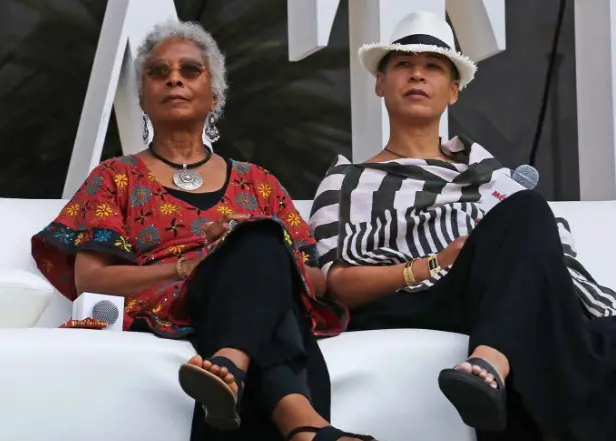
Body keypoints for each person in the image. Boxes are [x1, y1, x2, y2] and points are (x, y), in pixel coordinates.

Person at [31, 20, 375, 441]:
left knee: (259, 241)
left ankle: (231, 368)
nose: (173, 78)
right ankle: (302, 422)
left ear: (215, 94)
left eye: (190, 70)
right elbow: (92, 278)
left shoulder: (258, 182)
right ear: (143, 97)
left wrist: (240, 250)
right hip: (171, 307)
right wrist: (192, 265)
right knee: (259, 253)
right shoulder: (116, 176)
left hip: (255, 300)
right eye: (158, 72)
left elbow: (312, 278)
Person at [309, 11, 616, 441]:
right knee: (523, 213)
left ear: (453, 91)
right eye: (403, 64)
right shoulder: (346, 181)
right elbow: (334, 284)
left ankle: (490, 365)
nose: (417, 74)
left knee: (524, 209)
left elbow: (551, 263)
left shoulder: (493, 177)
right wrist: (433, 261)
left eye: (433, 66)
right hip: (414, 297)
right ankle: (492, 360)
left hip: (495, 294)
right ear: (380, 83)